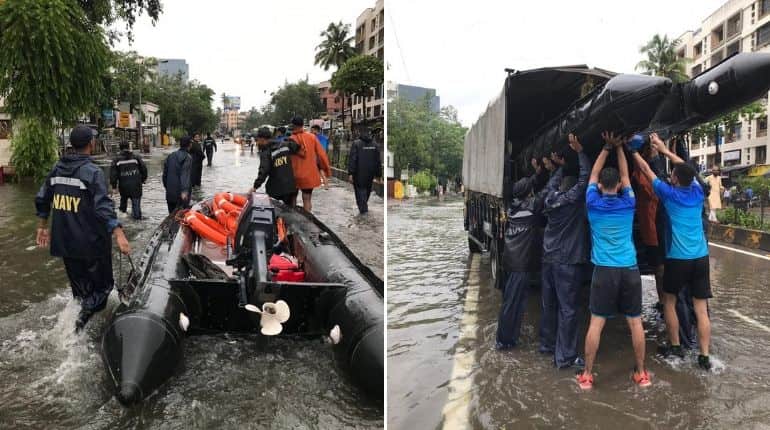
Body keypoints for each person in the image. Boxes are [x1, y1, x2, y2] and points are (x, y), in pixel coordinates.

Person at [35, 125, 131, 331]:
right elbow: (103, 206)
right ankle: (79, 325)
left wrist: (42, 226)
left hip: (65, 244)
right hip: (91, 245)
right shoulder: (92, 172)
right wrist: (119, 232)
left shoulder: (57, 168)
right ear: (91, 144)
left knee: (81, 292)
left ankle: (76, 326)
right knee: (103, 289)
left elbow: (42, 198)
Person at [576, 132, 651, 390]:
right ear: (619, 186)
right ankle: (641, 373)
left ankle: (586, 375)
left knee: (596, 322)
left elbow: (593, 175)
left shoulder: (592, 202)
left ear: (599, 187)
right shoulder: (628, 202)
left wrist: (606, 147)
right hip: (629, 269)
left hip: (604, 271)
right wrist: (620, 149)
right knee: (635, 322)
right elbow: (626, 176)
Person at [632, 132, 713, 370]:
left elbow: (647, 171)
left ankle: (676, 346)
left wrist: (633, 151)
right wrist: (666, 150)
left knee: (669, 301)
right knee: (701, 308)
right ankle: (705, 357)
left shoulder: (669, 195)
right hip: (701, 258)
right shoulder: (699, 192)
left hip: (678, 259)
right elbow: (686, 169)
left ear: (675, 180)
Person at [539, 135, 590, 369]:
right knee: (568, 309)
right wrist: (580, 152)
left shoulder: (549, 198)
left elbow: (551, 185)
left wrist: (558, 169)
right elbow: (585, 179)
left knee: (549, 304)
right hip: (567, 261)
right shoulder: (572, 202)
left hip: (549, 259)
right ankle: (565, 357)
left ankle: (547, 345)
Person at [496, 159, 547, 349]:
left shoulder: (512, 207)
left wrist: (536, 174)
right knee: (513, 304)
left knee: (510, 301)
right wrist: (554, 169)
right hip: (520, 266)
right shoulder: (532, 208)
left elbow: (526, 189)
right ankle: (504, 342)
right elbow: (547, 192)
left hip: (509, 261)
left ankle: (507, 337)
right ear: (528, 194)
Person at [629, 135, 665, 307]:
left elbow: (640, 171)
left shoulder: (650, 186)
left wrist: (631, 151)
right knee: (661, 270)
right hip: (658, 233)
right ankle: (665, 303)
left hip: (654, 234)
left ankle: (665, 303)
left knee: (660, 270)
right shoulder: (668, 189)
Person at [288, 116, 331, 212]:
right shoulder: (312, 137)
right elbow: (322, 155)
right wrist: (326, 171)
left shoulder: (290, 139)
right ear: (303, 125)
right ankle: (307, 221)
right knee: (307, 199)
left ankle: (293, 221)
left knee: (293, 199)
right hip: (309, 175)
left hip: (293, 175)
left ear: (293, 126)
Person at [250, 127, 300, 205]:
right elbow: (296, 146)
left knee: (273, 212)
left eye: (257, 140)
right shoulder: (284, 144)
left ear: (262, 139)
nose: (257, 142)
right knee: (290, 212)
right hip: (291, 186)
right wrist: (289, 140)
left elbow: (264, 171)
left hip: (275, 189)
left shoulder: (266, 152)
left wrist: (255, 186)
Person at [109, 141, 148, 220]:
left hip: (123, 187)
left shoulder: (116, 160)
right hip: (136, 186)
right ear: (128, 147)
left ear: (120, 148)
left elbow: (113, 174)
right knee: (136, 208)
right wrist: (143, 179)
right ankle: (137, 222)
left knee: (123, 207)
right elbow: (144, 169)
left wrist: (114, 187)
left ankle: (122, 220)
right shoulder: (136, 157)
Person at [348, 129, 382, 214]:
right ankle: (364, 210)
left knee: (360, 193)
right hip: (370, 175)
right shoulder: (375, 145)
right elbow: (378, 161)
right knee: (366, 192)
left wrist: (351, 173)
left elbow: (353, 159)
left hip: (358, 174)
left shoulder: (356, 143)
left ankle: (364, 212)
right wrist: (378, 175)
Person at [163, 136, 193, 213]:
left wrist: (168, 188)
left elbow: (164, 175)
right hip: (181, 196)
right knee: (180, 219)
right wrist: (184, 192)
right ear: (189, 145)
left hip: (170, 194)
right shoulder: (187, 157)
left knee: (171, 217)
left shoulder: (171, 156)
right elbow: (185, 175)